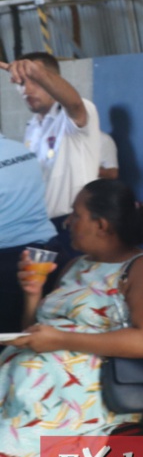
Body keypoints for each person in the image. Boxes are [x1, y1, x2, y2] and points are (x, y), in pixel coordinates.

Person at [0, 179, 143, 457]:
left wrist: (59, 340)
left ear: (101, 224)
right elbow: (38, 332)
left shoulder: (142, 268)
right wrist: (33, 294)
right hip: (29, 390)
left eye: (76, 215)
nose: (67, 222)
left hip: (87, 401)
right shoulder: (75, 265)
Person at [1, 53, 102, 242]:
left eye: (35, 81)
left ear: (52, 80)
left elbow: (74, 103)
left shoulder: (75, 114)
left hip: (73, 223)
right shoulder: (32, 126)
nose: (26, 90)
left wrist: (37, 72)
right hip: (42, 226)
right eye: (21, 83)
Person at [0, 135, 56, 333]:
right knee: (29, 330)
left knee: (11, 335)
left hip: (8, 257)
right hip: (44, 250)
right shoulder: (22, 150)